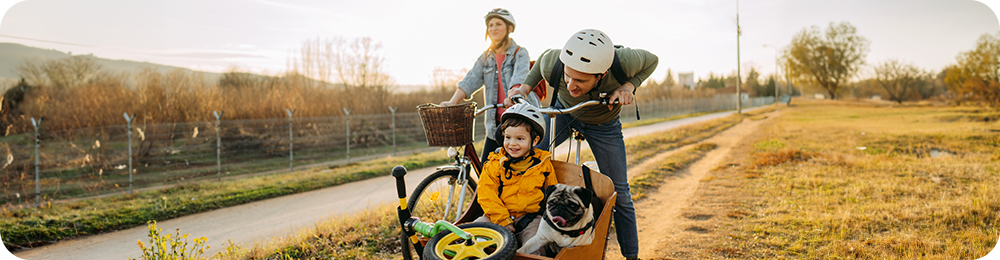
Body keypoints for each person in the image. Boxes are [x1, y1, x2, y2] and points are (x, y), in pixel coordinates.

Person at [504, 29, 658, 260]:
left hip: (603, 123)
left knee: (620, 192)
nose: (571, 84)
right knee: (528, 161)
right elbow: (539, 66)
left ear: (601, 74)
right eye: (568, 76)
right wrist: (524, 88)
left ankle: (632, 256)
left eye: (580, 80)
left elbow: (652, 61)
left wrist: (629, 86)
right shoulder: (553, 62)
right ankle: (520, 232)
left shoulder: (625, 61)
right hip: (564, 113)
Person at [440, 8, 540, 163]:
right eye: (490, 25)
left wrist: (512, 96)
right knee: (486, 169)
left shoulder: (520, 53)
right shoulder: (485, 57)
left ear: (509, 28)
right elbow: (470, 80)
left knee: (517, 172)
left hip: (518, 121)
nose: (493, 28)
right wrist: (453, 102)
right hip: (495, 125)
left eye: (498, 24)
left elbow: (519, 79)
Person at [475, 103, 556, 252]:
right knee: (475, 235)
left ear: (535, 140)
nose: (512, 144)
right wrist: (502, 220)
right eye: (508, 137)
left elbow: (552, 193)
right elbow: (486, 194)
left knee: (536, 246)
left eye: (520, 138)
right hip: (497, 215)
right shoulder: (494, 164)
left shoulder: (543, 165)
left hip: (531, 219)